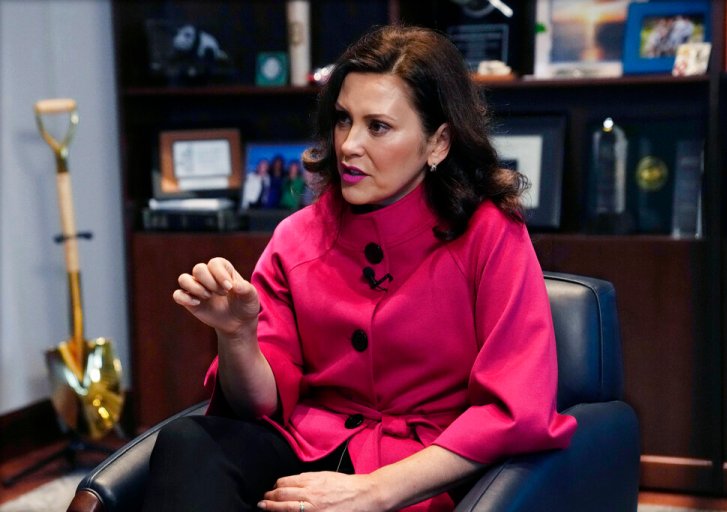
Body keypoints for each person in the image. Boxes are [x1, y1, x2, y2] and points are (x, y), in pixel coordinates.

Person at [142, 24, 577, 511]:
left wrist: (376, 489)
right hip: (309, 448)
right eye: (344, 119)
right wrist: (238, 335)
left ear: (438, 143)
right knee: (190, 442)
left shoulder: (490, 234)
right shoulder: (297, 237)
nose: (349, 145)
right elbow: (256, 406)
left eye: (379, 126)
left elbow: (513, 409)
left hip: (424, 472)